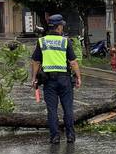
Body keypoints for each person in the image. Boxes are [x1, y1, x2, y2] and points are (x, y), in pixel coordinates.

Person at [31, 14, 82, 144]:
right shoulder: (65, 41)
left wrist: (34, 78)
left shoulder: (42, 41)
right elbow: (73, 62)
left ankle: (55, 137)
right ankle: (70, 136)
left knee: (52, 110)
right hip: (65, 80)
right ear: (58, 27)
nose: (62, 28)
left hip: (49, 81)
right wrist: (78, 77)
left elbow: (36, 62)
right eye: (62, 26)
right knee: (68, 109)